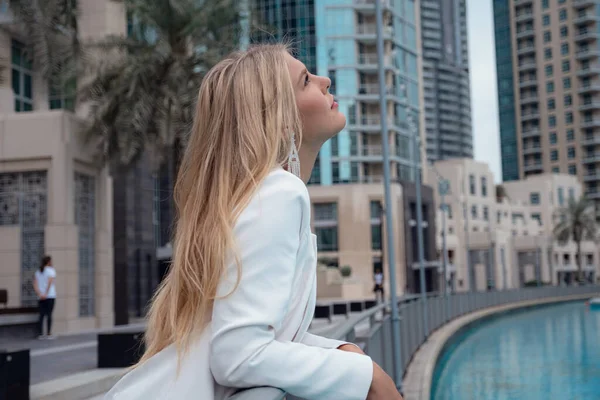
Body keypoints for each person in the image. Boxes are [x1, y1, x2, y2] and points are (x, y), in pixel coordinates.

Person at [105, 44, 402, 400]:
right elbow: (239, 354)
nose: (325, 81)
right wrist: (364, 374)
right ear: (277, 118)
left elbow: (261, 331)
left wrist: (338, 350)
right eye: (305, 81)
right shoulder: (278, 193)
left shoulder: (261, 196)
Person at [33, 255, 56, 339]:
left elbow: (35, 284)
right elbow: (50, 282)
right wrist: (46, 293)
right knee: (49, 314)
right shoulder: (51, 270)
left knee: (41, 315)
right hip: (50, 296)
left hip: (40, 297)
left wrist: (39, 294)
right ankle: (49, 333)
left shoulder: (38, 271)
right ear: (49, 262)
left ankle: (41, 334)